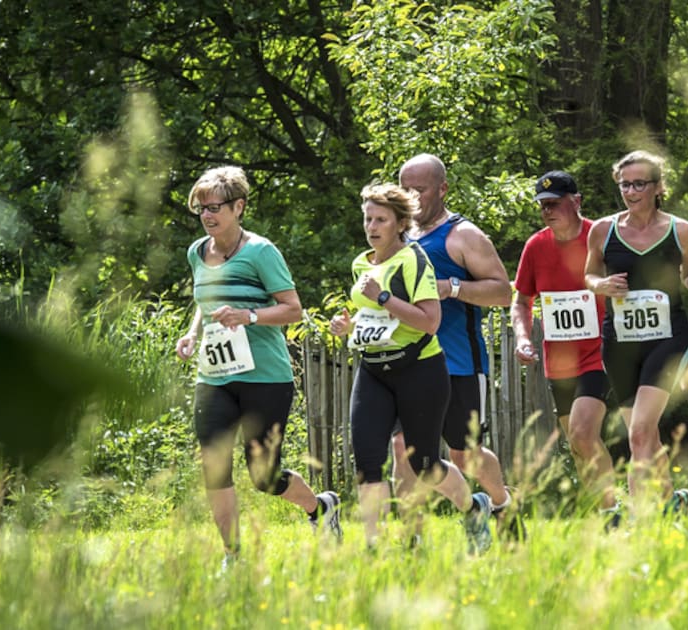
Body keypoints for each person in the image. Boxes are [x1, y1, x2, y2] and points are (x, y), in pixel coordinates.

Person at [173, 166, 340, 568]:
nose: (208, 215)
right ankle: (233, 555)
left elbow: (293, 310)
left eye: (216, 207)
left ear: (239, 206)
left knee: (264, 476)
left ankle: (320, 508)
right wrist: (193, 333)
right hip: (214, 377)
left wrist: (248, 316)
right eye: (201, 208)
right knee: (213, 464)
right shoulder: (198, 251)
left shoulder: (261, 252)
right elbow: (206, 300)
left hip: (264, 376)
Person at [329, 183, 491, 552]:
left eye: (381, 219)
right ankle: (374, 548)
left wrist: (383, 297)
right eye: (368, 218)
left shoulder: (414, 259)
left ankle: (472, 508)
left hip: (419, 370)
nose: (371, 226)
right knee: (368, 461)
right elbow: (373, 317)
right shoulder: (361, 262)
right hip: (373, 370)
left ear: (400, 223)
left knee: (425, 465)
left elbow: (429, 321)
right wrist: (349, 326)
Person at [584, 150, 688, 518]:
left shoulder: (681, 230)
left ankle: (642, 520)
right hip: (620, 342)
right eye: (624, 184)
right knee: (647, 435)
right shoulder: (603, 230)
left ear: (658, 187)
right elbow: (588, 276)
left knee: (639, 432)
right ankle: (671, 504)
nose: (630, 191)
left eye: (639, 183)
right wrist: (602, 284)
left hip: (668, 338)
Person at [394, 154, 515, 524]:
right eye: (405, 189)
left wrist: (453, 288)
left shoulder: (464, 235)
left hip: (457, 363)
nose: (412, 197)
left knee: (465, 455)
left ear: (443, 189)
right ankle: (410, 540)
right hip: (407, 364)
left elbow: (502, 293)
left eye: (420, 189)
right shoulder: (396, 238)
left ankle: (501, 505)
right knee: (403, 448)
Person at [511, 170, 617, 519]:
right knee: (576, 444)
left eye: (554, 203)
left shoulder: (600, 237)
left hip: (599, 352)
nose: (547, 211)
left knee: (584, 434)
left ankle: (611, 512)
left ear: (577, 201)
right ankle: (601, 511)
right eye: (542, 205)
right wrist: (524, 338)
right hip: (559, 360)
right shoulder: (535, 246)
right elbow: (521, 301)